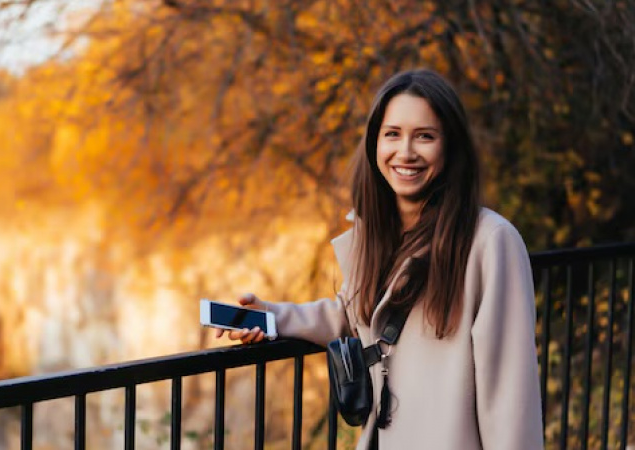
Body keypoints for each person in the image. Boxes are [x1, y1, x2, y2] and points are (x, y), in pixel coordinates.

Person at [216, 69, 544, 450]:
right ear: (374, 144)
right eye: (393, 134)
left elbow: (509, 394)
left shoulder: (490, 241)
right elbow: (355, 316)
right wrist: (269, 316)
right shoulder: (377, 233)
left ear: (450, 147)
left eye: (425, 136)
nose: (405, 152)